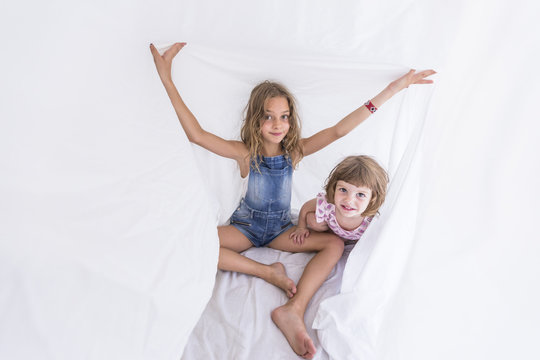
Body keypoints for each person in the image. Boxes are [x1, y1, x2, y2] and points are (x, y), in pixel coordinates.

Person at [150, 42, 435, 359]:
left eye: (284, 116)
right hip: (246, 227)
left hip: (280, 229)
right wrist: (166, 79)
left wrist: (394, 89)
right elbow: (197, 135)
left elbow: (340, 130)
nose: (277, 124)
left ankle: (294, 310)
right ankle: (267, 273)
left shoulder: (294, 151)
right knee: (199, 241)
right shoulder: (246, 152)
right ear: (255, 119)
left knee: (334, 245)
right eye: (269, 117)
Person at [290, 155, 388, 248]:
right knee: (312, 219)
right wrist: (301, 228)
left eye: (360, 195)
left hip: (357, 238)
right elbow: (306, 207)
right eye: (343, 190)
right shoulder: (328, 204)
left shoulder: (373, 218)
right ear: (334, 187)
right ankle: (335, 237)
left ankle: (347, 241)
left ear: (373, 198)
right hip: (332, 231)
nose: (349, 200)